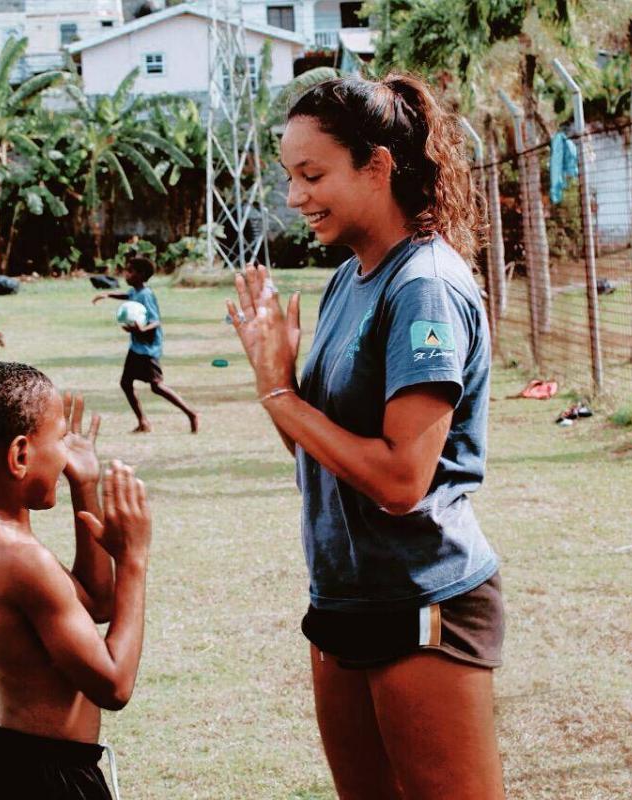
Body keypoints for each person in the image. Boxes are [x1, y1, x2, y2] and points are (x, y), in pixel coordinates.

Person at [226, 74, 505, 800]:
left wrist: (279, 394)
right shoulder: (350, 279)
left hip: (422, 597)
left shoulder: (425, 286)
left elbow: (398, 481)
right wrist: (277, 379)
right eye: (291, 177)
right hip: (344, 597)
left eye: (313, 175)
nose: (295, 198)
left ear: (377, 166)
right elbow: (324, 457)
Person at [0, 362, 152, 800]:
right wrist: (134, 562)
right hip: (46, 779)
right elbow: (114, 684)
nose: (68, 452)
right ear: (21, 456)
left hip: (11, 765)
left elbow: (97, 605)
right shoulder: (20, 558)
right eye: (61, 438)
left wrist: (85, 487)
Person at [92, 256, 199, 434]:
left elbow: (156, 321)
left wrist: (140, 330)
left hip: (148, 348)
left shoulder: (146, 294)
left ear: (141, 275)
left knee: (157, 386)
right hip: (136, 347)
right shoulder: (136, 291)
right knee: (126, 383)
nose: (126, 274)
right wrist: (108, 294)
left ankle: (191, 414)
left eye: (130, 271)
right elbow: (128, 295)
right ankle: (143, 422)